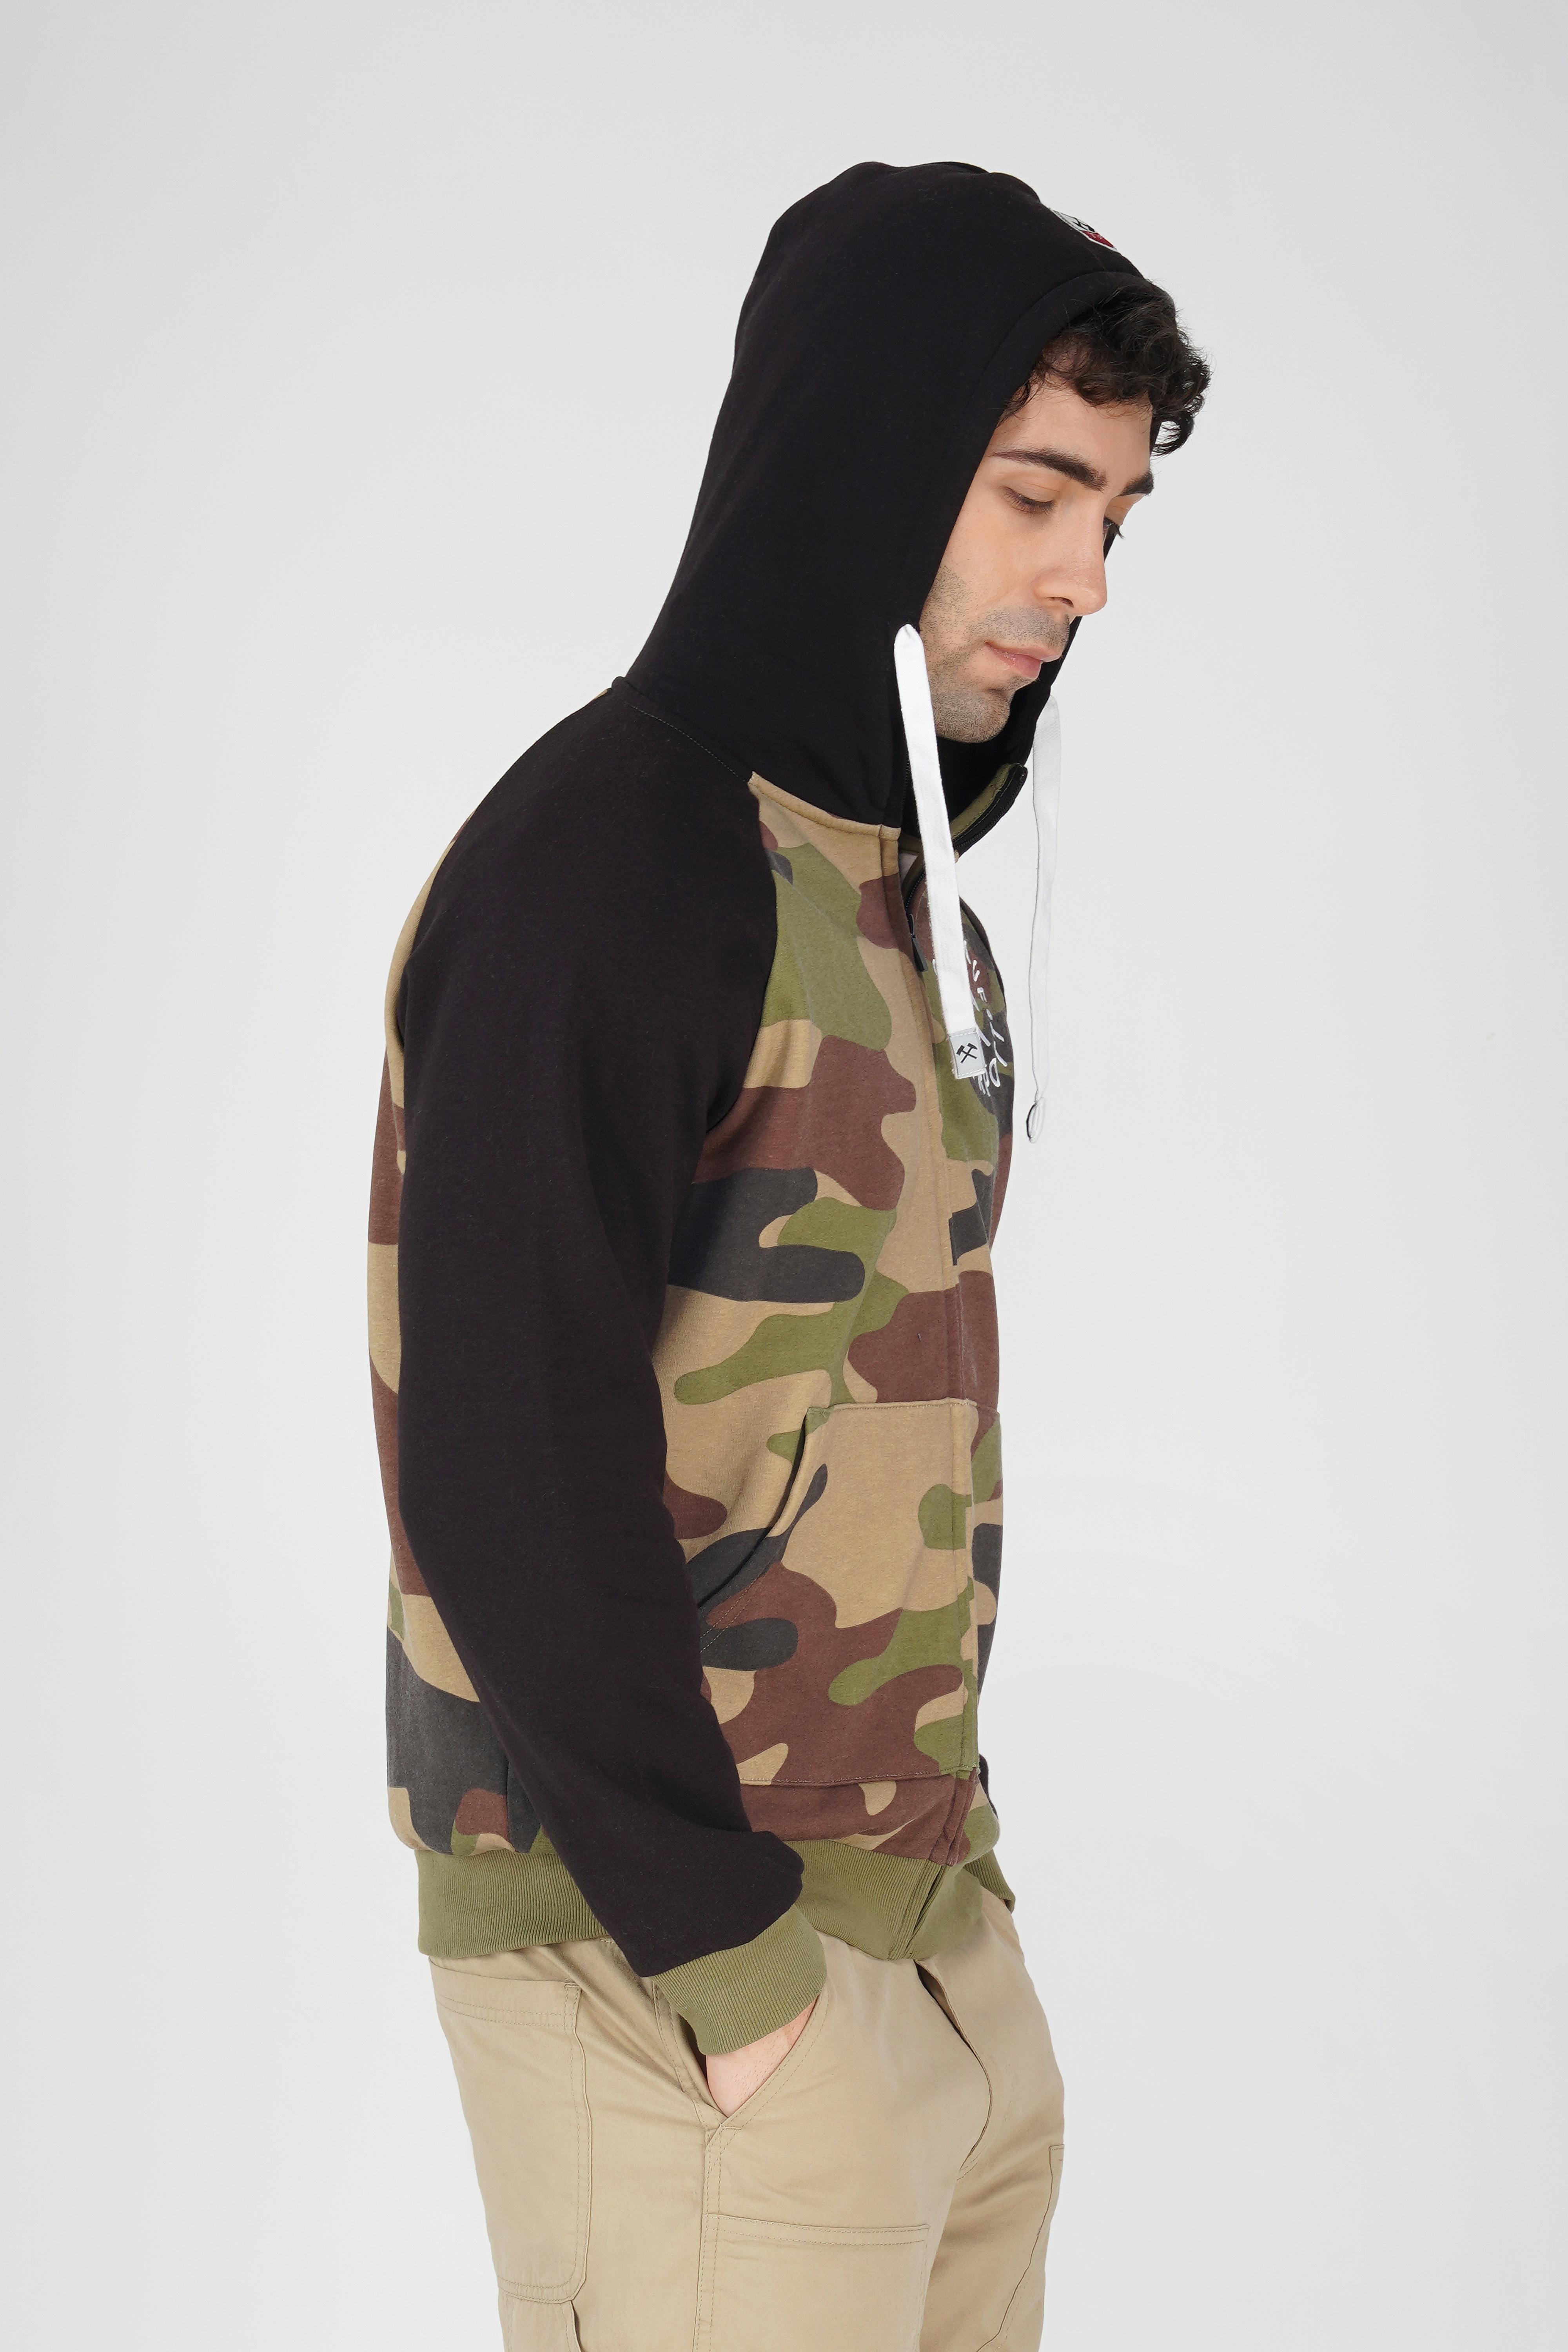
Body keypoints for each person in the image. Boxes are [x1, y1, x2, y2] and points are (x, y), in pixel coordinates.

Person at [367, 159, 1207, 2351]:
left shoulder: (887, 887)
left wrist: (958, 1910)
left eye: (1117, 517)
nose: (1083, 576)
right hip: (674, 1959)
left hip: (920, 1931)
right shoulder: (610, 856)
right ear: (873, 457)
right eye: (1037, 495)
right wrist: (734, 1978)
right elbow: (501, 1453)